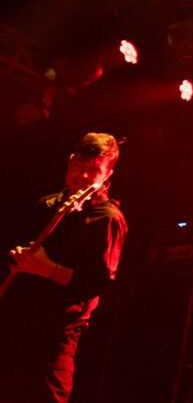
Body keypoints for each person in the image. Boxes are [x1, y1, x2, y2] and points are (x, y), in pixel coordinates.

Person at [0, 132, 128, 402]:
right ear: (70, 162)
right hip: (16, 327)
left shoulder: (107, 218)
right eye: (79, 165)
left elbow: (97, 282)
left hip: (54, 339)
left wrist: (45, 268)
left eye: (93, 170)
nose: (82, 176)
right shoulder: (47, 204)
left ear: (108, 175)